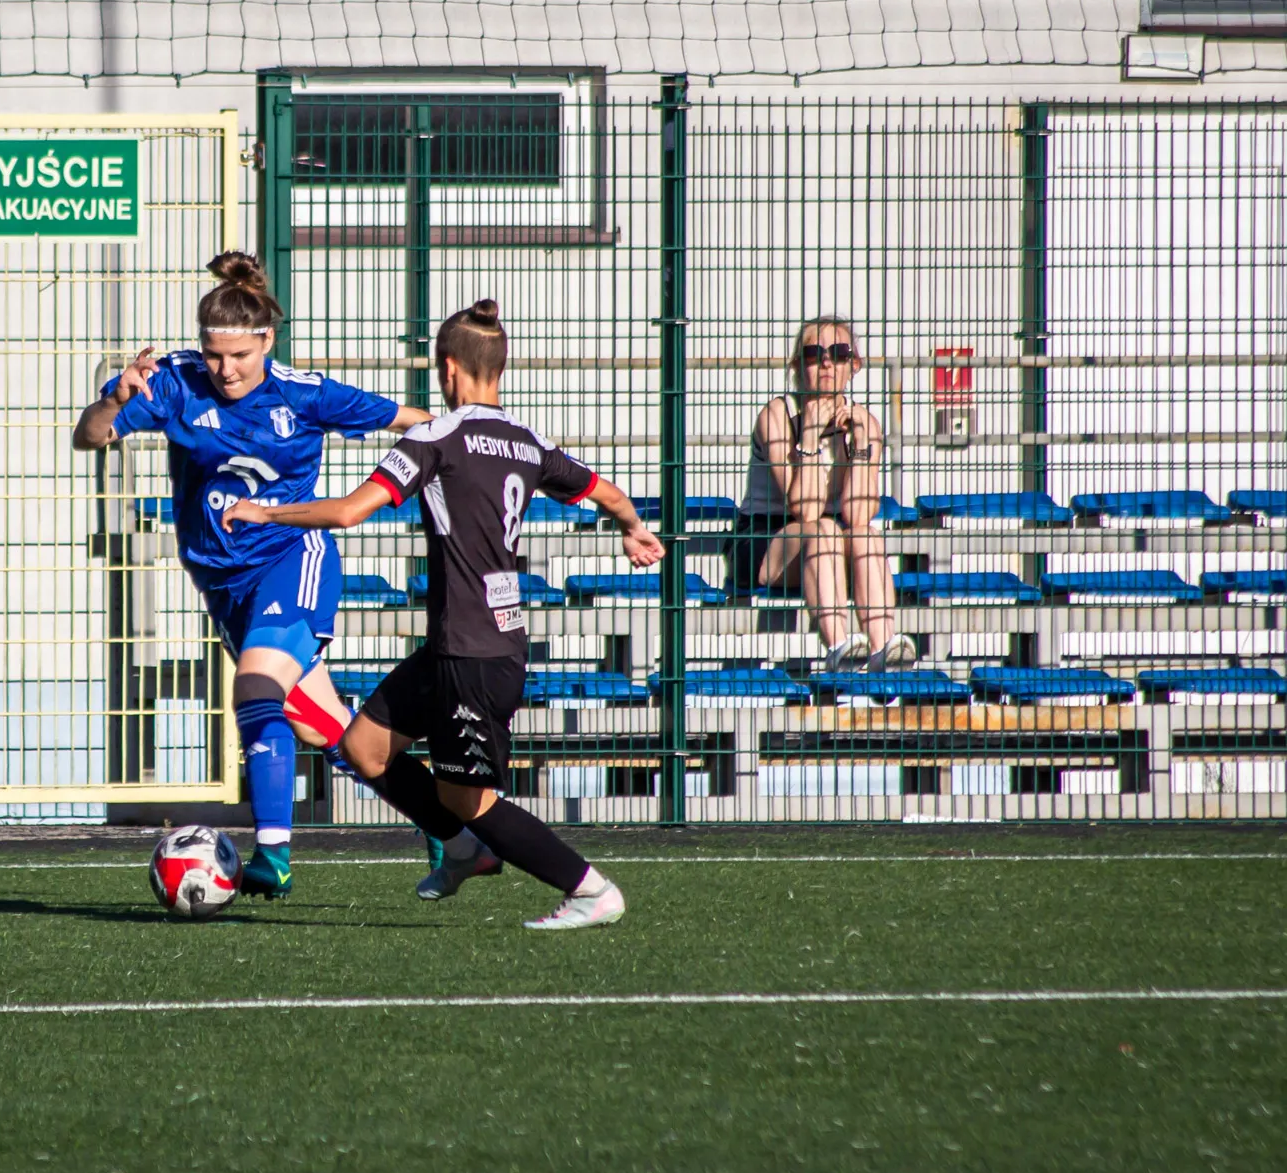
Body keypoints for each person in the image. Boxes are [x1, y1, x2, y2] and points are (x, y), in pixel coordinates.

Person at [222, 300, 665, 930]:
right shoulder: (528, 442)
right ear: (499, 369)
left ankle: (589, 888)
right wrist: (633, 529)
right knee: (364, 749)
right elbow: (608, 493)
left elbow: (349, 512)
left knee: (468, 799)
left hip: (474, 655)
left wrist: (266, 512)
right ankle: (460, 851)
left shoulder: (437, 437)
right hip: (460, 646)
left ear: (448, 368)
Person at [73, 253, 430, 899]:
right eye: (214, 355)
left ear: (267, 340)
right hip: (223, 584)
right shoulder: (175, 382)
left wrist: (482, 443)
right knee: (322, 726)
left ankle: (274, 854)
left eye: (239, 355)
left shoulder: (304, 393)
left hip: (292, 560)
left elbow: (415, 422)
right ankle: (449, 826)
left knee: (256, 692)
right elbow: (89, 437)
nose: (226, 369)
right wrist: (114, 398)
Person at [726, 315, 917, 673]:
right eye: (815, 354)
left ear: (854, 364)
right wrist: (811, 434)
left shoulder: (864, 422)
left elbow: (858, 514)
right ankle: (839, 648)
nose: (827, 363)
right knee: (824, 529)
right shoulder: (778, 416)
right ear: (797, 366)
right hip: (768, 540)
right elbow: (806, 510)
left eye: (839, 353)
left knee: (866, 535)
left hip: (830, 544)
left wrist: (860, 446)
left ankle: (882, 649)